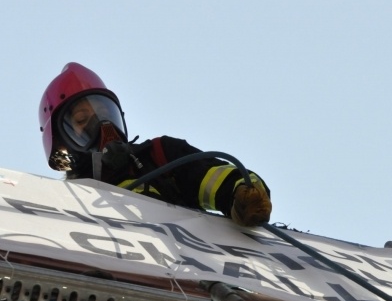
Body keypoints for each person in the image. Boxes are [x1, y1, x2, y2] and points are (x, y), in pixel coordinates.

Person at [38, 62, 272, 227]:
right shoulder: (64, 206)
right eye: (82, 120)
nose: (102, 126)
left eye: (105, 113)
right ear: (61, 143)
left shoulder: (160, 155)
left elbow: (210, 176)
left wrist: (242, 194)